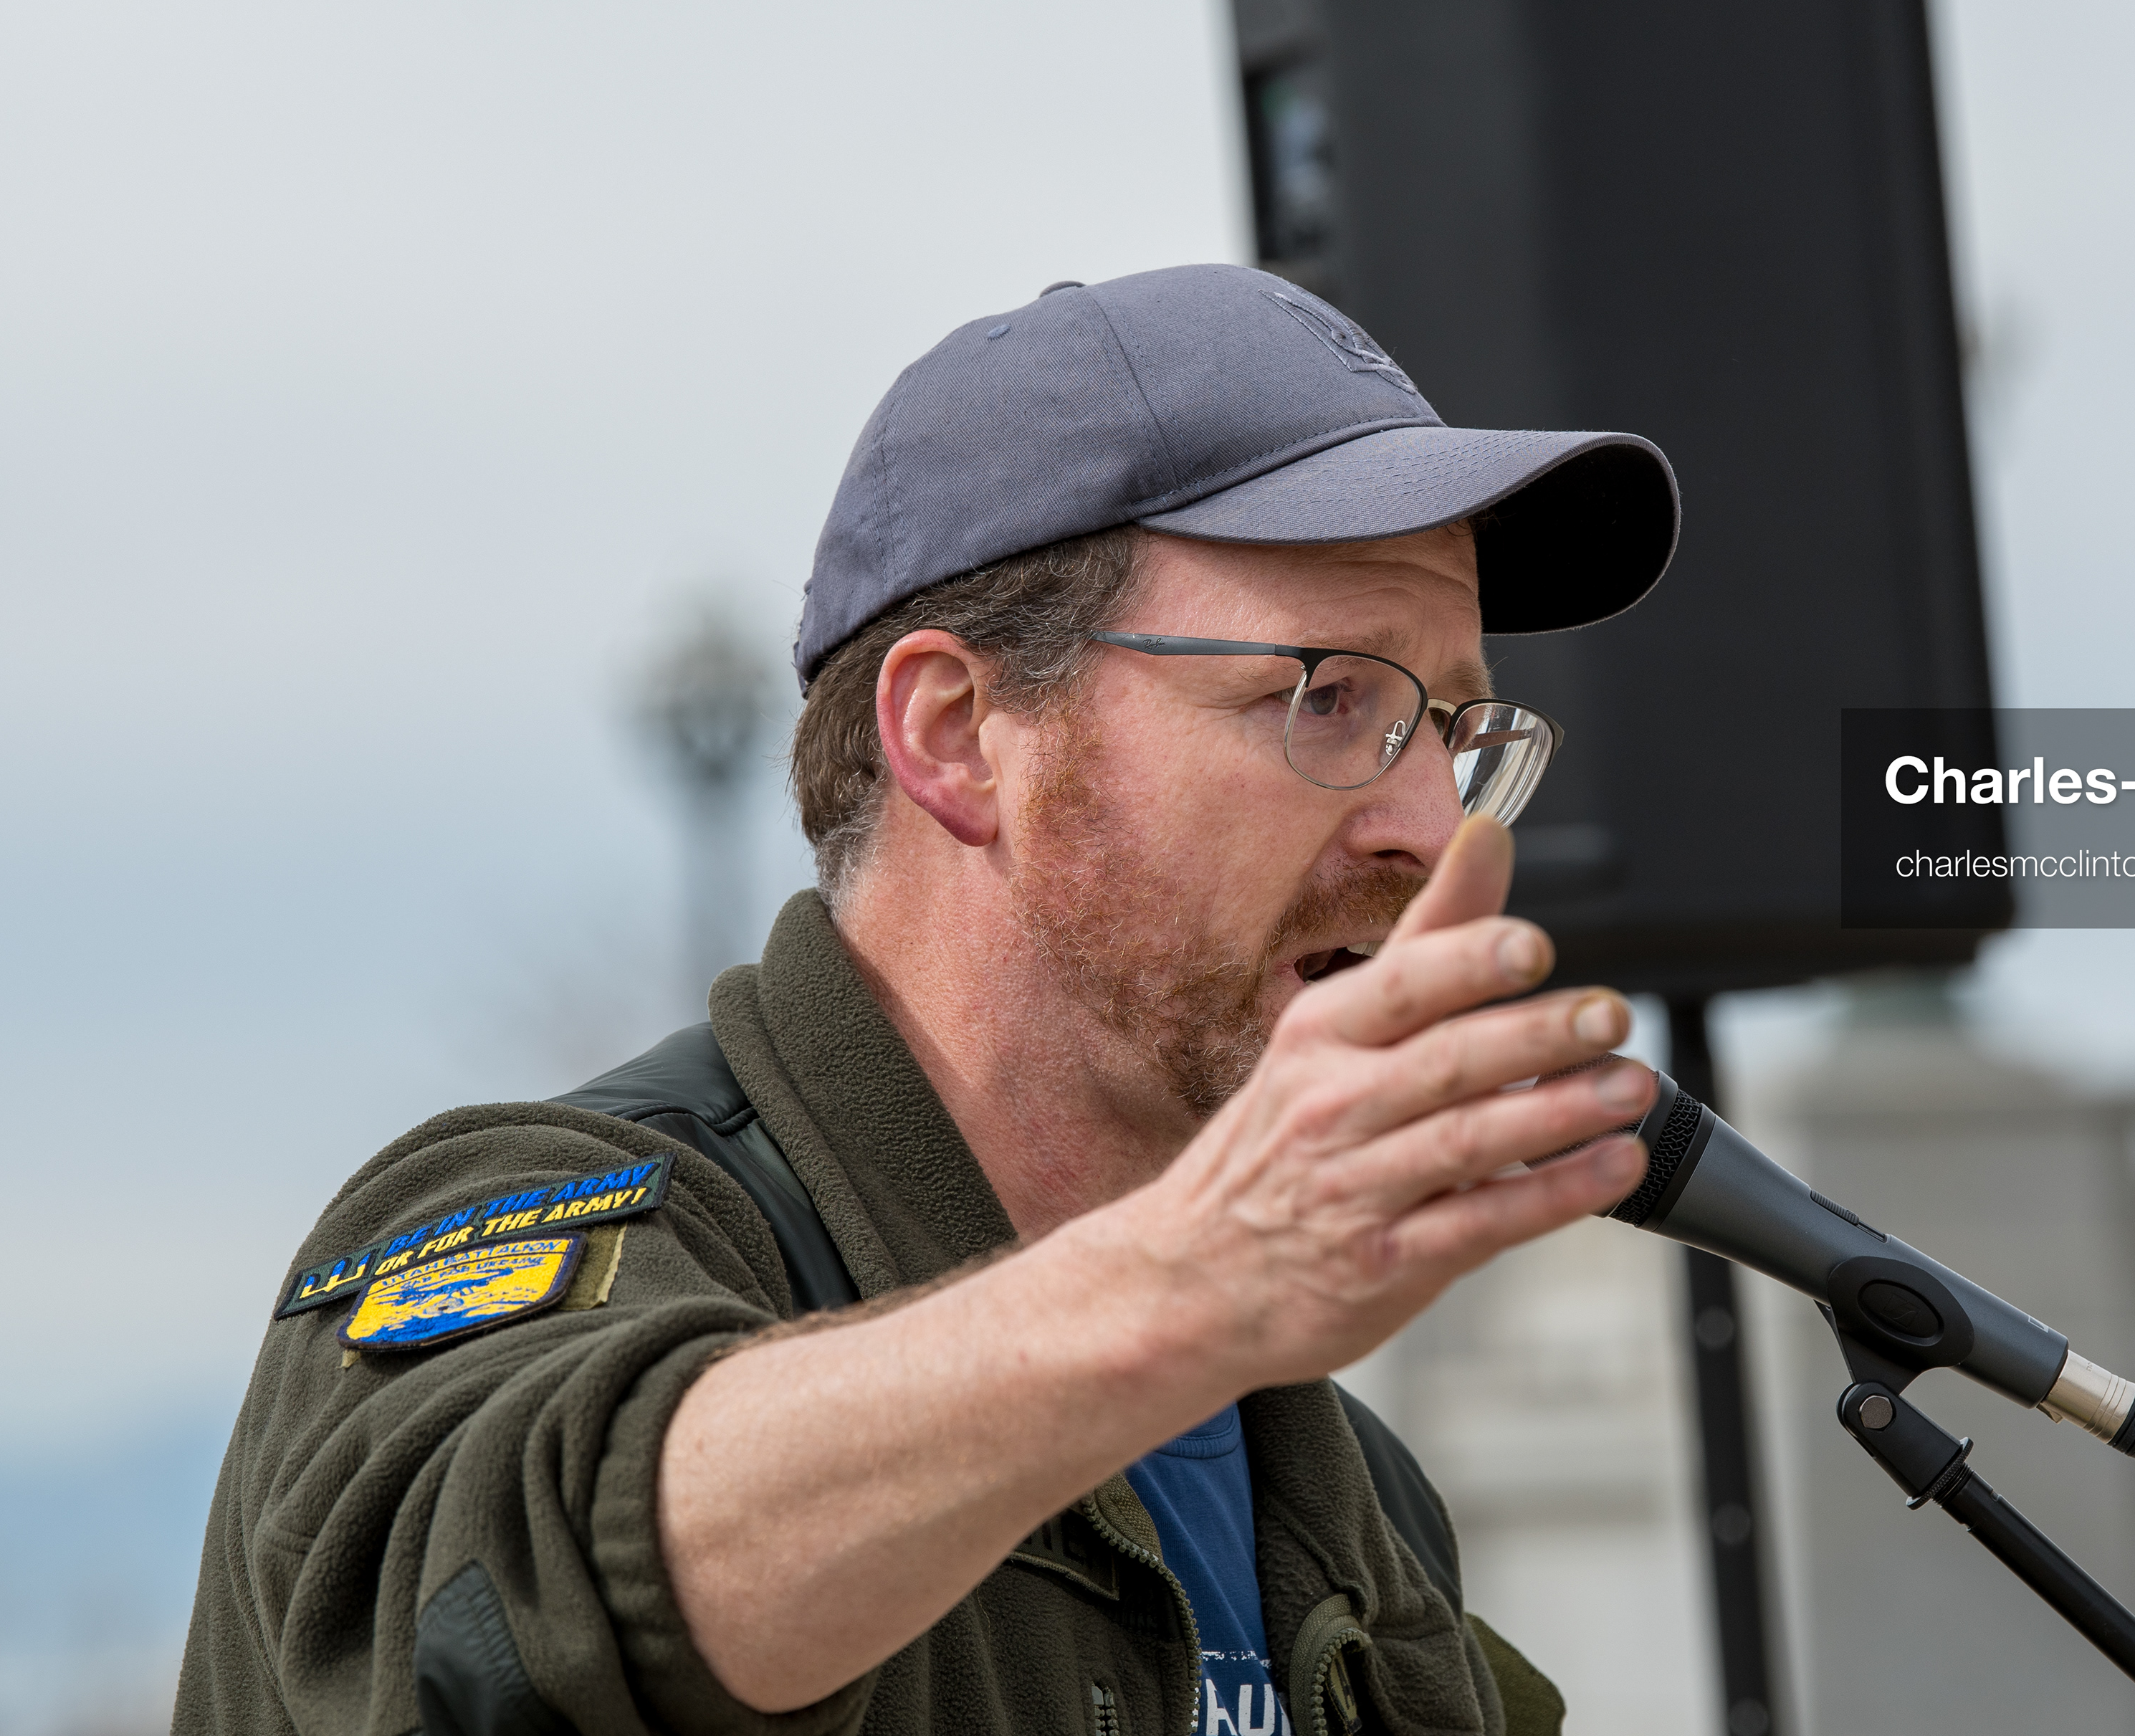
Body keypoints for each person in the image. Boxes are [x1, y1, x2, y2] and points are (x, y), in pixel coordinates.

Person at [174, 264, 1684, 1736]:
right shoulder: (550, 1215)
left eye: (1454, 724)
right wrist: (1190, 1288)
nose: (1429, 818)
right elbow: (509, 1620)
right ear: (959, 735)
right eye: (1332, 695)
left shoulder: (1357, 1501)